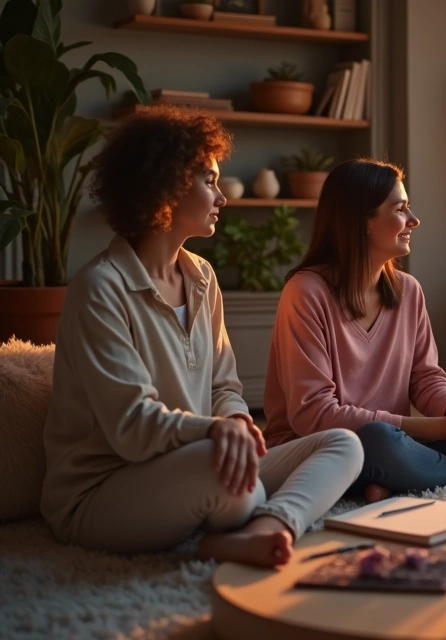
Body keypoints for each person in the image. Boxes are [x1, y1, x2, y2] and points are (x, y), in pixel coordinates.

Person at [41, 106, 363, 568]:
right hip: (100, 491)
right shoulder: (99, 288)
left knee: (344, 444)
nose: (221, 196)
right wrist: (215, 432)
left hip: (197, 457)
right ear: (166, 185)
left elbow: (224, 388)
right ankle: (247, 514)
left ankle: (268, 527)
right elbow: (131, 427)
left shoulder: (202, 277)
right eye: (209, 181)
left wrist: (236, 425)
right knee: (234, 484)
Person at [262, 159, 446, 500]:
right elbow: (314, 415)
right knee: (379, 441)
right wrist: (442, 429)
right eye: (400, 209)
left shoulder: (408, 290)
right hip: (325, 448)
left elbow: (426, 378)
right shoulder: (305, 292)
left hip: (396, 441)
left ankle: (399, 476)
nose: (414, 220)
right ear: (360, 220)